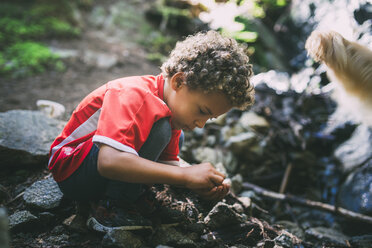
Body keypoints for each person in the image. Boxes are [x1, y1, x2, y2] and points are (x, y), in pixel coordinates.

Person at [48, 30, 255, 229]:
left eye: (209, 118)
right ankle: (112, 207)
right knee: (162, 128)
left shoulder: (169, 110)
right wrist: (186, 176)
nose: (201, 124)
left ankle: (127, 194)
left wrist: (196, 182)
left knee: (173, 132)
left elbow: (165, 167)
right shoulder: (133, 94)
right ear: (179, 81)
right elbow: (108, 162)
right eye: (202, 111)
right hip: (72, 172)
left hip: (93, 170)